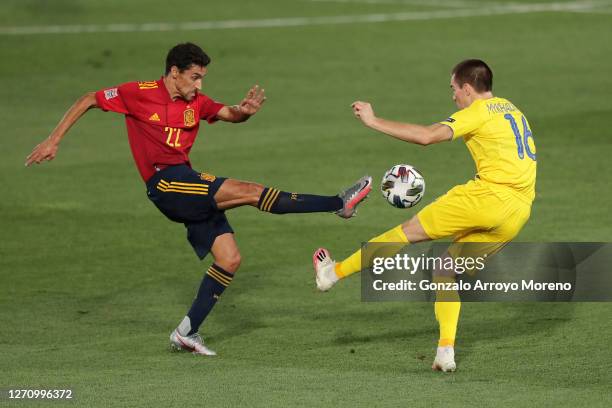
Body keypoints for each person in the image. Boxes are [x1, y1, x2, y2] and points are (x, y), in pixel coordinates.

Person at [26, 42, 373, 356]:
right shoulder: (139, 93)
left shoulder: (197, 102)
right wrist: (53, 140)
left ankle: (186, 331)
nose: (199, 85)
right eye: (194, 77)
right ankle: (337, 203)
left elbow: (228, 114)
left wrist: (245, 111)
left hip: (187, 182)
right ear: (173, 73)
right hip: (166, 183)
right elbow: (89, 98)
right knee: (250, 191)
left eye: (203, 77)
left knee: (230, 258)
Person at [312, 59, 536, 372]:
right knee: (446, 271)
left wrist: (373, 122)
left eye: (454, 89)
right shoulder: (512, 109)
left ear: (468, 88)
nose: (453, 96)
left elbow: (427, 136)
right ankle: (445, 352)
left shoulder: (477, 112)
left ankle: (331, 274)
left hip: (486, 197)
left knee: (406, 233)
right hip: (518, 210)